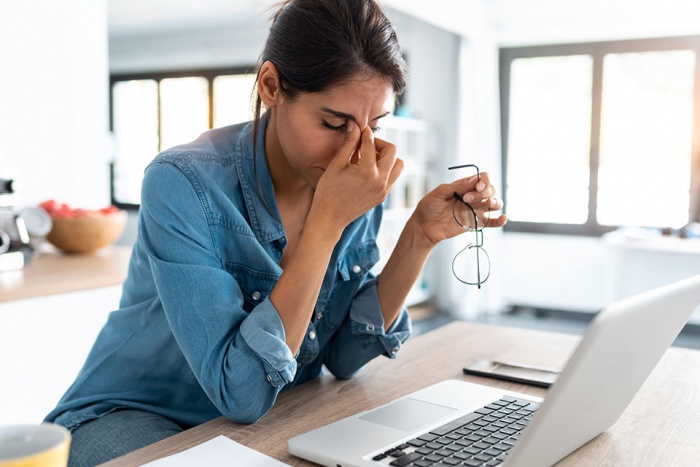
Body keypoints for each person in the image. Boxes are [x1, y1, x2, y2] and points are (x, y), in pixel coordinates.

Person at [44, 0, 506, 465]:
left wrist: (419, 237)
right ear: (271, 86)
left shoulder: (349, 179)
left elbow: (344, 357)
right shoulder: (182, 181)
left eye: (375, 125)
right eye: (334, 123)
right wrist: (327, 223)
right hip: (134, 414)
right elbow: (240, 392)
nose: (358, 150)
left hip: (263, 416)